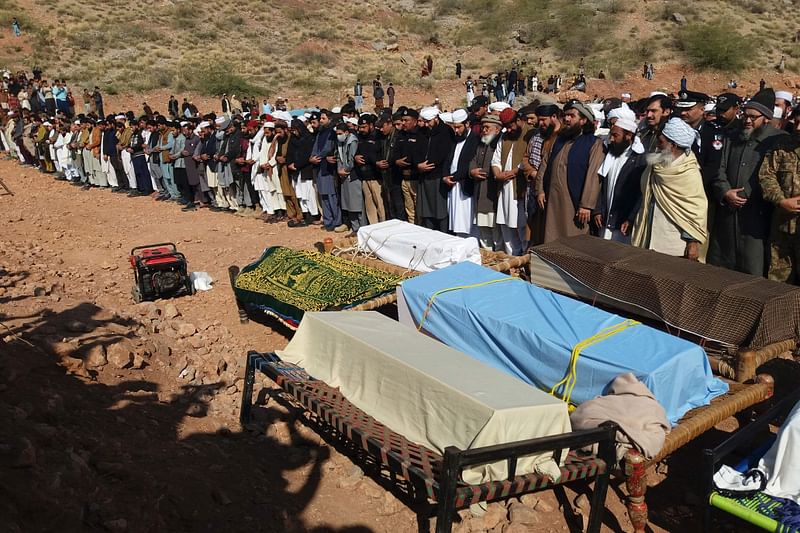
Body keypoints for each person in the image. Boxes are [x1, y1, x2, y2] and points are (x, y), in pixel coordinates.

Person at [707, 88, 786, 276]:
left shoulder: (778, 141)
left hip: (756, 220)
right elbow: (719, 169)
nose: (747, 120)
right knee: (720, 270)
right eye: (745, 115)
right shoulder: (732, 137)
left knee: (752, 273)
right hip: (727, 216)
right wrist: (725, 191)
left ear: (766, 118)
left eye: (753, 117)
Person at [631, 117, 708, 260]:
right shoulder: (656, 165)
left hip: (673, 243)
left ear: (672, 145)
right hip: (649, 235)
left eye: (661, 142)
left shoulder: (689, 172)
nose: (658, 146)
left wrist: (692, 241)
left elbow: (696, 210)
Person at [536, 101, 604, 244]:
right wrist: (540, 190)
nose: (566, 119)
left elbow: (594, 176)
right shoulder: (559, 140)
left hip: (575, 204)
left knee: (574, 242)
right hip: (552, 202)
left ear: (583, 120)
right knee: (551, 238)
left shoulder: (593, 143)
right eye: (566, 115)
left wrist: (586, 204)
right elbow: (545, 164)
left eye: (572, 116)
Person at [593, 116, 646, 243]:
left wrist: (631, 218)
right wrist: (598, 210)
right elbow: (602, 185)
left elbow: (641, 194)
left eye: (615, 135)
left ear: (628, 136)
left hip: (623, 224)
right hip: (605, 220)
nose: (611, 139)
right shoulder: (610, 154)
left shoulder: (640, 160)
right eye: (611, 135)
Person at [759, 134, 800, 283]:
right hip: (781, 230)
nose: (798, 128)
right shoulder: (782, 145)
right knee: (778, 285)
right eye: (796, 121)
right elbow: (766, 175)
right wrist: (781, 201)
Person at [491, 108, 531, 255]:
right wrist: (498, 174)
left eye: (511, 125)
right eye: (506, 126)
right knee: (506, 225)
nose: (509, 129)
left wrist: (512, 173)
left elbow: (528, 160)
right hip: (504, 186)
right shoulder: (505, 137)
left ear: (519, 120)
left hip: (519, 188)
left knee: (520, 225)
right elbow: (496, 158)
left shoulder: (529, 134)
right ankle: (511, 257)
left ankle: (522, 259)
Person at [413, 107, 453, 232]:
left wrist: (430, 164)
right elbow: (415, 151)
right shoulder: (422, 131)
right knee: (426, 211)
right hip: (423, 175)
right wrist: (418, 165)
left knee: (440, 211)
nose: (425, 124)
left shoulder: (446, 131)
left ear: (436, 119)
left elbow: (444, 154)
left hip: (438, 175)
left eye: (428, 121)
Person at [444, 108, 479, 238]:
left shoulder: (475, 140)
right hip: (453, 186)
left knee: (468, 223)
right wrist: (445, 177)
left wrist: (453, 177)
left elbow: (470, 163)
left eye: (459, 127)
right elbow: (448, 160)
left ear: (467, 124)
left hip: (465, 186)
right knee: (456, 223)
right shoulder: (454, 140)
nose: (456, 130)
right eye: (454, 127)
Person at [334, 120, 365, 234]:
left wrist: (345, 170)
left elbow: (351, 160)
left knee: (356, 203)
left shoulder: (353, 141)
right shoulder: (340, 143)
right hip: (343, 175)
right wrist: (339, 170)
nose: (338, 136)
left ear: (346, 132)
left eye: (340, 133)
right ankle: (354, 227)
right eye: (337, 134)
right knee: (348, 202)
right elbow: (339, 158)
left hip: (352, 175)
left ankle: (361, 228)